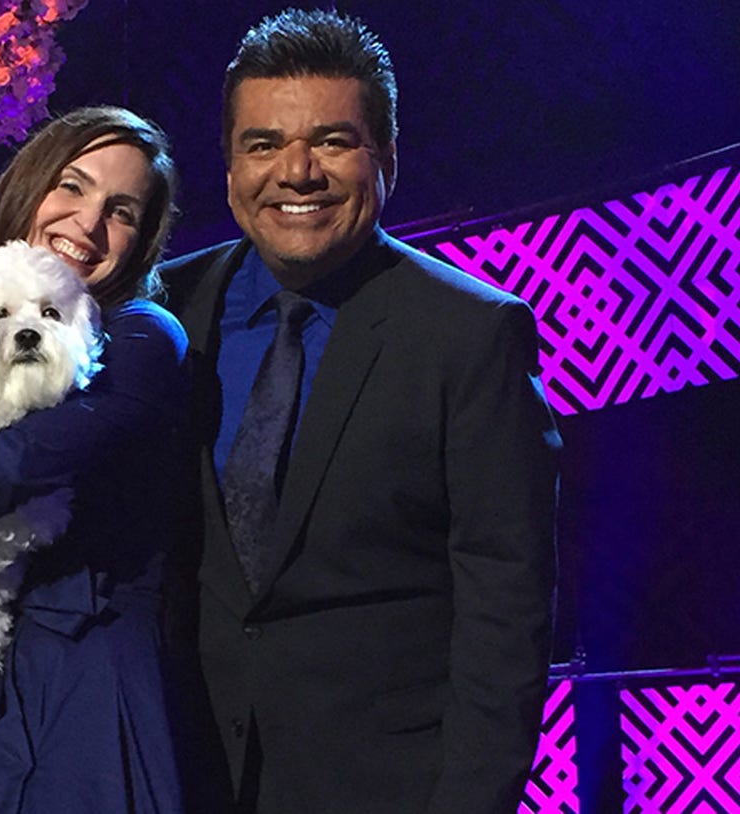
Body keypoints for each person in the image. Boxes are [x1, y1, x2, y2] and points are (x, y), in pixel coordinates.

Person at [158, 9, 562, 814]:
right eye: (263, 144)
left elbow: (505, 612)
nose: (296, 172)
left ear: (387, 159)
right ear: (231, 167)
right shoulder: (163, 310)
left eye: (333, 142)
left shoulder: (470, 333)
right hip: (179, 777)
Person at [0, 106, 192, 812]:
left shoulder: (142, 338)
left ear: (141, 241)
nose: (87, 222)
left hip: (86, 679)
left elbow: (20, 460)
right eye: (72, 187)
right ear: (30, 188)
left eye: (122, 210)